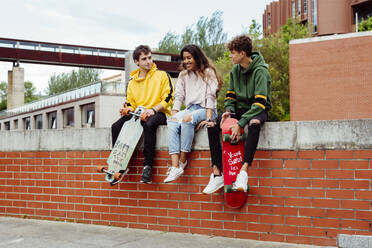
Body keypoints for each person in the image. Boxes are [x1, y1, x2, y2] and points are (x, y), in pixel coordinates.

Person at [203, 35, 271, 194]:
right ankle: (217, 173)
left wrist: (239, 124)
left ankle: (243, 172)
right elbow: (230, 96)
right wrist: (228, 112)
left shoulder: (261, 72)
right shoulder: (235, 70)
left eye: (232, 53)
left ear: (242, 53)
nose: (230, 56)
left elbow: (260, 103)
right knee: (212, 124)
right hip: (239, 109)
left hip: (257, 109)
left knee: (254, 124)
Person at [111, 45, 174, 184]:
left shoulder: (162, 76)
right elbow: (130, 102)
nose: (148, 61)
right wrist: (127, 108)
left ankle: (147, 167)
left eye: (150, 58)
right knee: (116, 126)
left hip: (159, 113)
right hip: (138, 113)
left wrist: (153, 110)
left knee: (149, 124)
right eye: (144, 59)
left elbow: (168, 97)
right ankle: (118, 165)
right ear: (136, 62)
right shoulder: (132, 83)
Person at [164, 44, 223, 183]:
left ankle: (183, 161)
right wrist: (174, 114)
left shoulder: (208, 72)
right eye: (184, 59)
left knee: (187, 119)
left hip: (206, 109)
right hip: (191, 109)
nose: (186, 61)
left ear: (197, 57)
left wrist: (208, 119)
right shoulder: (183, 75)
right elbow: (178, 97)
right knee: (172, 121)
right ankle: (175, 166)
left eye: (189, 58)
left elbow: (210, 97)